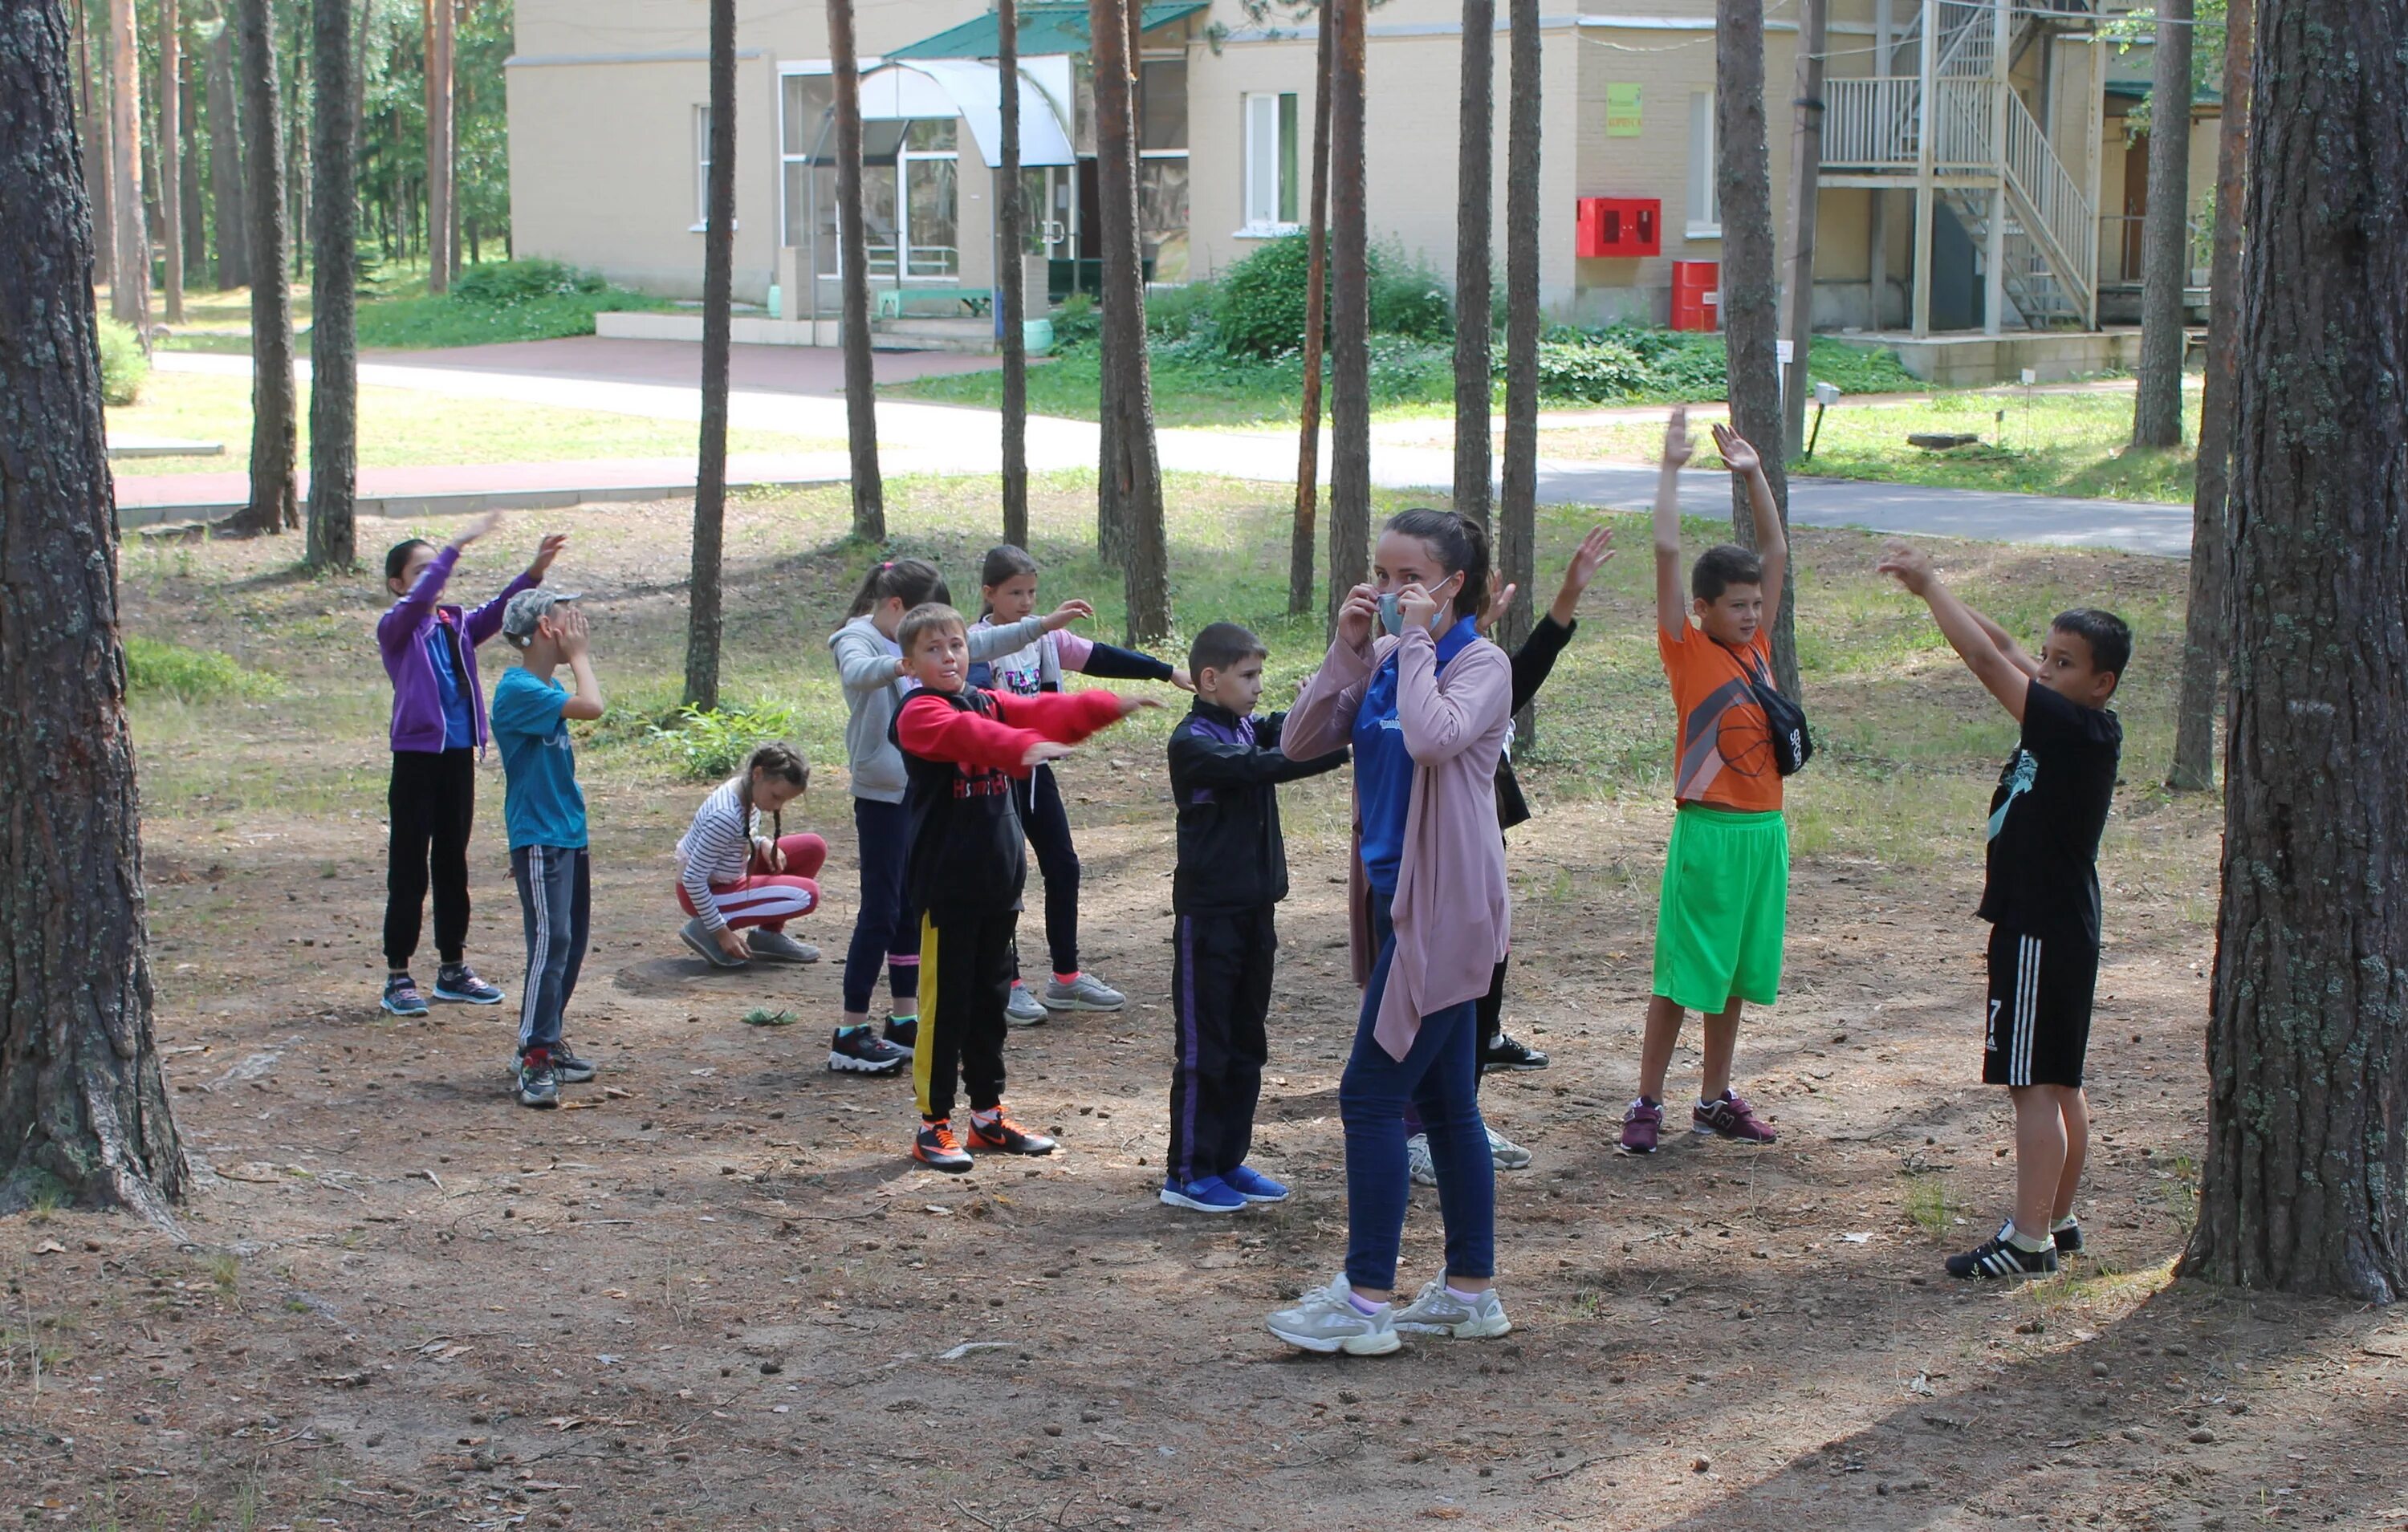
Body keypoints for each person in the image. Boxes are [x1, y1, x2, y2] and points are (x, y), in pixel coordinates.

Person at [1265, 509, 1515, 1355]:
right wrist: (1349, 646)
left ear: (1455, 586)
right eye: (1382, 573)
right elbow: (1300, 741)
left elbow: (1433, 737)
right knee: (1447, 1101)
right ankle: (1471, 1291)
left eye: (1410, 577)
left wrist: (1409, 645)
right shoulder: (1381, 659)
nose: (1390, 591)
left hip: (1446, 912)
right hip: (1394, 901)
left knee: (1371, 1094)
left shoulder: (1482, 664)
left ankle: (1366, 1299)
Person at [1877, 539, 2129, 1280]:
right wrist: (1946, 592)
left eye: (2064, 663)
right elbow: (2007, 647)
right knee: (2058, 1081)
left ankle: (2028, 1239)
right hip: (2061, 923)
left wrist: (1931, 591)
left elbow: (1989, 664)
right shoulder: (2076, 718)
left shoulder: (2072, 728)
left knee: (2032, 1084)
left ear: (2102, 683)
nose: (2045, 669)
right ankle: (2056, 1215)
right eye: (2048, 658)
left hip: (2040, 928)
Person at [887, 602, 1151, 1172]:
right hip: (947, 890)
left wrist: (1107, 707)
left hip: (998, 885)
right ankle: (933, 1124)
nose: (949, 656)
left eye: (955, 644)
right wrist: (1018, 748)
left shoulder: (986, 698)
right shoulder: (916, 712)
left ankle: (987, 1116)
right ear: (909, 663)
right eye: (932, 649)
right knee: (945, 1010)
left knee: (991, 1005)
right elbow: (967, 734)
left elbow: (1040, 710)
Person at [1403, 526, 1617, 1183]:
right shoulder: (1420, 661)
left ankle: (1456, 1115)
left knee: (1481, 988)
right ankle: (1423, 1127)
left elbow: (1521, 672)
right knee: (1430, 998)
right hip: (1430, 855)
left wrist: (1567, 596)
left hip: (1477, 845)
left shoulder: (1476, 662)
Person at [827, 559, 1090, 1076]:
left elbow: (981, 643)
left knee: (911, 910)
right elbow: (857, 674)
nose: (944, 652)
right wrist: (898, 667)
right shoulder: (855, 637)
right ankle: (850, 1030)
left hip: (919, 792)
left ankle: (904, 1018)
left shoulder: (930, 642)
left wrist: (1043, 625)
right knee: (880, 910)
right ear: (898, 608)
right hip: (881, 792)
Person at [1619, 408, 1791, 1155]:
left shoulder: (1756, 646)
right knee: (1685, 975)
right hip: (1709, 833)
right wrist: (1670, 468)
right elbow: (1664, 548)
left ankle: (1714, 1097)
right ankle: (1647, 1098)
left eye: (1757, 605)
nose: (1753, 615)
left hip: (1764, 833)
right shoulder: (1688, 651)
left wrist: (1752, 475)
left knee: (1734, 978)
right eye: (1738, 605)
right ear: (1702, 610)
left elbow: (1777, 548)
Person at [1161, 621, 1349, 1213]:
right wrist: (1338, 753)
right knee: (1205, 1050)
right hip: (1209, 921)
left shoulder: (1246, 723)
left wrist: (1327, 697)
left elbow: (1291, 729)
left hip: (1254, 913)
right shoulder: (1193, 742)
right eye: (1249, 676)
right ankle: (1187, 1172)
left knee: (1246, 1044)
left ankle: (1226, 1159)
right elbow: (1259, 765)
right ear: (1210, 679)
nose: (1258, 687)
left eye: (1261, 675)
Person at [968, 544, 1193, 1023]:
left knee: (1063, 866)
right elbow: (977, 704)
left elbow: (1103, 658)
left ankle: (1066, 979)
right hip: (994, 775)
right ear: (989, 594)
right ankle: (1006, 982)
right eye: (1015, 593)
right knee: (1005, 878)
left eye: (1032, 592)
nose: (1027, 602)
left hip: (1036, 770)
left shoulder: (1046, 639)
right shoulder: (976, 643)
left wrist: (1166, 671)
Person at [374, 510, 564, 1017]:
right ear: (399, 585)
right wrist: (455, 546)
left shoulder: (455, 624)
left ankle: (452, 969)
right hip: (415, 759)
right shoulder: (397, 627)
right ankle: (398, 975)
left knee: (451, 864)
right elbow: (417, 602)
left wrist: (534, 572)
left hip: (457, 757)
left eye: (433, 568)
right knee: (409, 869)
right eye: (421, 570)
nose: (432, 576)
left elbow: (502, 610)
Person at [490, 588, 605, 1111]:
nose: (578, 622)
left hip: (566, 831)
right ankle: (535, 1056)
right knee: (551, 942)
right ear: (545, 627)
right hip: (539, 834)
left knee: (572, 942)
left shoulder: (545, 685)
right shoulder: (516, 688)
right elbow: (594, 706)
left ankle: (545, 1035)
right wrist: (581, 654)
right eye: (567, 616)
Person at [674, 743, 828, 969]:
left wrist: (761, 842)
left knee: (813, 848)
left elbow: (737, 838)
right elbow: (693, 879)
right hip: (702, 893)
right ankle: (707, 930)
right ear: (758, 774)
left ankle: (768, 937)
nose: (778, 807)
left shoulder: (743, 788)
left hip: (730, 873)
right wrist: (722, 932)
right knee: (806, 895)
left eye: (784, 801)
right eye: (776, 797)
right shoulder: (724, 816)